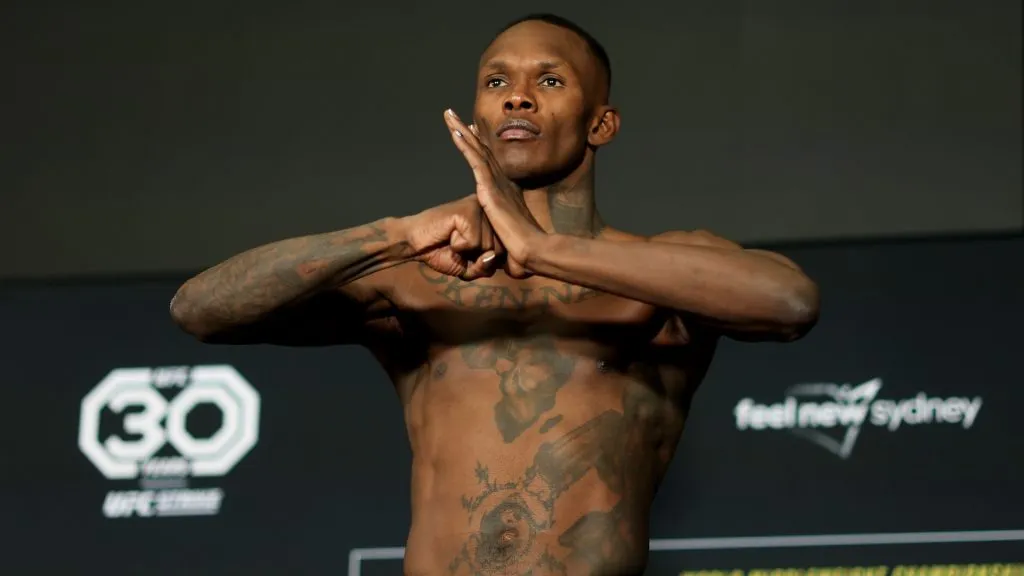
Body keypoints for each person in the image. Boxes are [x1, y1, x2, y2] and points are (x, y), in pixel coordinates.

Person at [170, 13, 820, 576]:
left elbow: (790, 303)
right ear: (477, 117)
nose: (518, 98)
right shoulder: (417, 271)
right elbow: (200, 309)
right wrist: (391, 235)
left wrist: (545, 249)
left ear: (602, 124)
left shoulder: (660, 271)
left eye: (550, 80)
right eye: (497, 82)